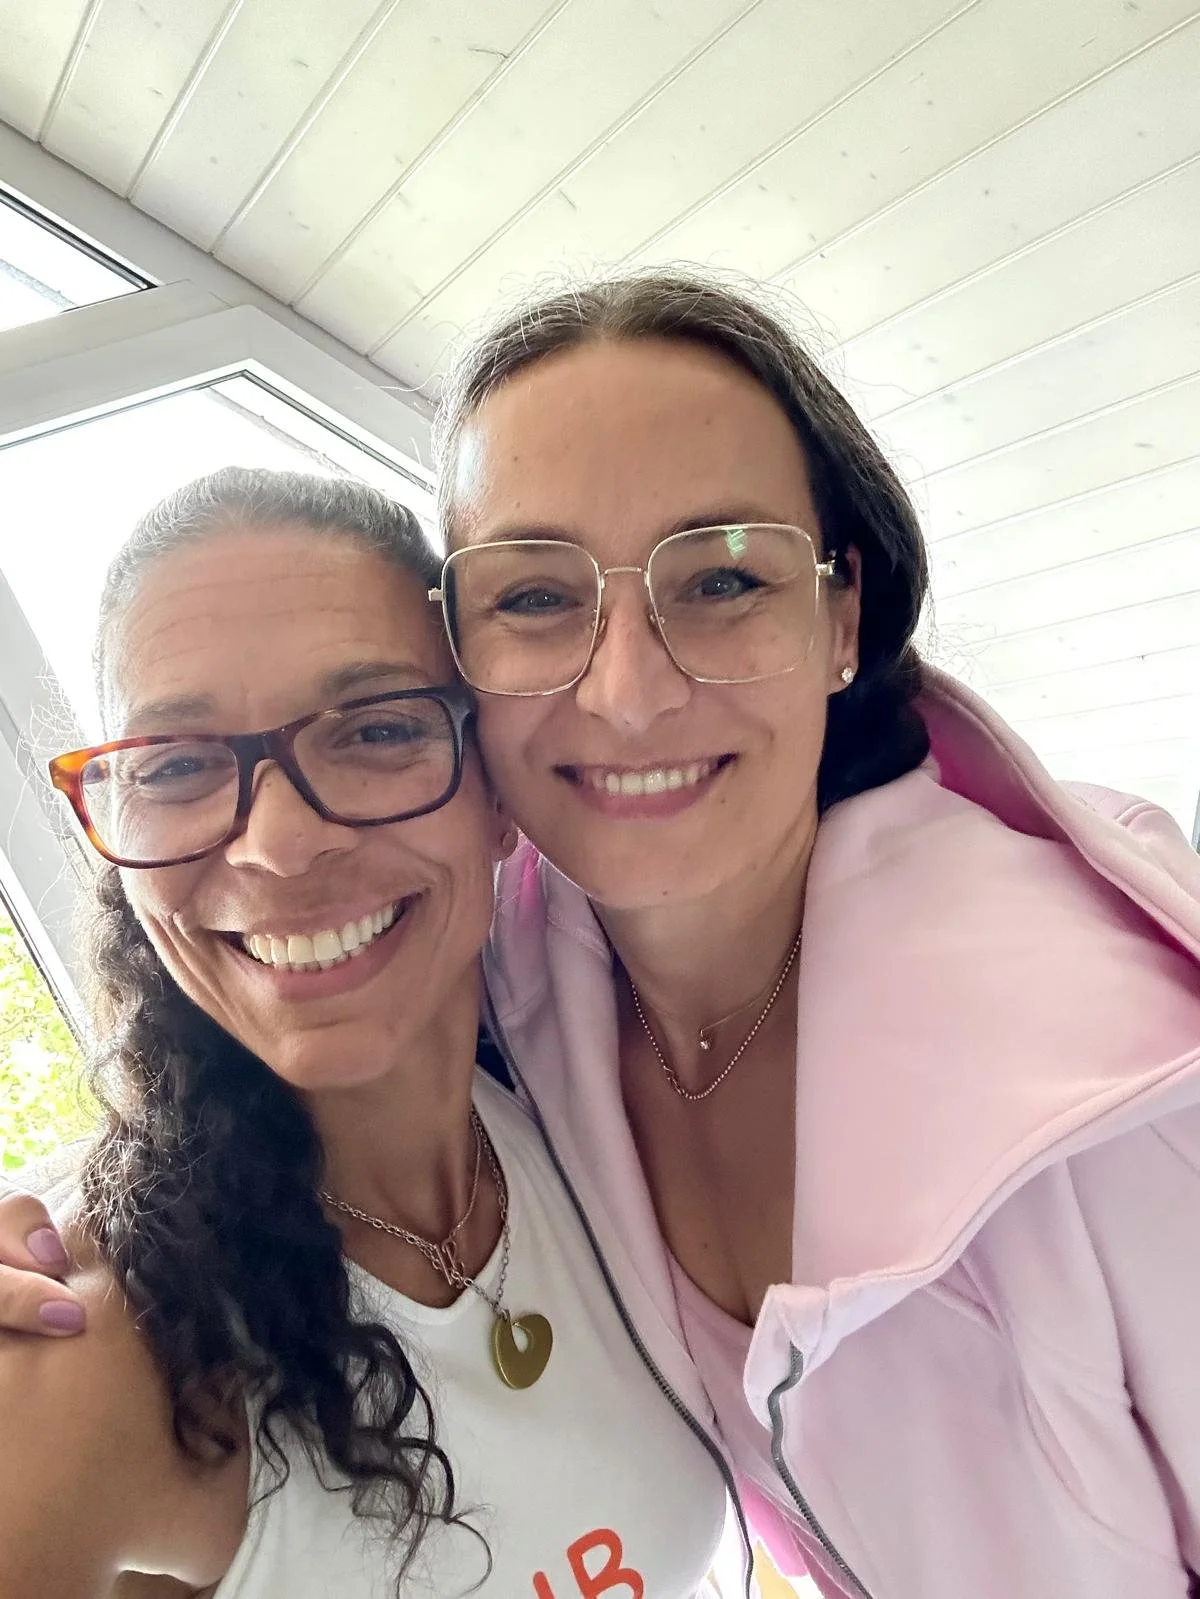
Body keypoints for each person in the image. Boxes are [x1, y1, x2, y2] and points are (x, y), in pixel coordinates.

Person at [7, 270, 1200, 1596]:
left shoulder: (1136, 1089)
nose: (626, 691)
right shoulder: (535, 1000)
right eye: (533, 598)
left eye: (725, 576)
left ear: (842, 613)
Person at [0, 469, 729, 1597]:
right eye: (180, 766)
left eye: (378, 729)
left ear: (499, 796)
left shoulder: (590, 1113)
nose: (280, 845)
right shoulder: (93, 1355)